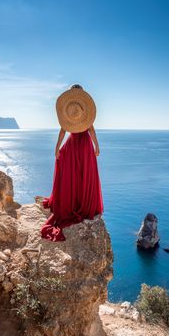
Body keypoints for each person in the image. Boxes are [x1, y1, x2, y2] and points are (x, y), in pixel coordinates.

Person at [40, 84, 104, 241]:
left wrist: (58, 148)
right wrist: (96, 145)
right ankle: (82, 202)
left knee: (71, 173)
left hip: (73, 144)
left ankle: (71, 200)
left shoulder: (69, 111)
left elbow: (63, 131)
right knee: (84, 175)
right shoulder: (85, 112)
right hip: (84, 146)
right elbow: (91, 130)